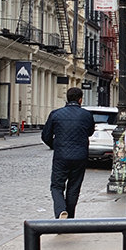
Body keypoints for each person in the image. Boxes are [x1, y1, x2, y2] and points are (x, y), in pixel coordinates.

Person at [41, 86, 95, 219]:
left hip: (61, 156)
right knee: (74, 188)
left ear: (67, 98)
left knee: (57, 186)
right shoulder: (87, 115)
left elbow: (45, 136)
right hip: (80, 156)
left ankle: (61, 211)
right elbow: (90, 132)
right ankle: (69, 218)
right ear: (80, 99)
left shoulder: (56, 114)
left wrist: (56, 145)